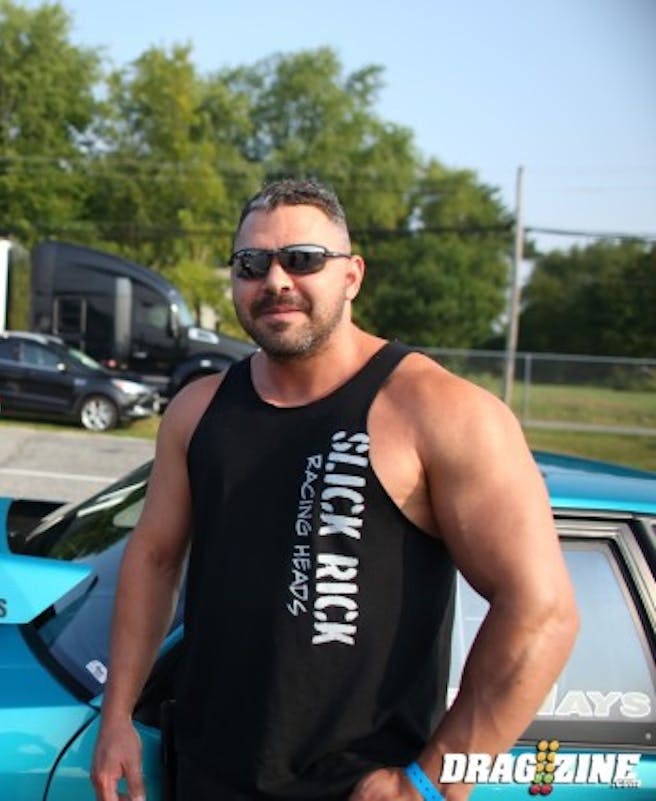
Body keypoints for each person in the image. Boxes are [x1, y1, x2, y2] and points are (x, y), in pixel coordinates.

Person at [90, 178, 579, 801]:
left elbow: (543, 613)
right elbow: (155, 559)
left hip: (359, 787)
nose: (275, 281)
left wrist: (429, 786)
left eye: (301, 260)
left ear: (352, 275)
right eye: (251, 264)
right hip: (206, 776)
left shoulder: (440, 412)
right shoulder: (198, 410)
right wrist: (118, 716)